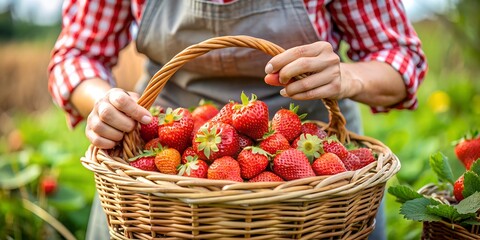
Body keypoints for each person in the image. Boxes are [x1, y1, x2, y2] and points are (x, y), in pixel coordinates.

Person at [48, 0, 427, 239]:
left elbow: (400, 57)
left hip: (312, 154)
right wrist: (106, 102)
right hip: (161, 151)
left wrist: (349, 77)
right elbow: (76, 54)